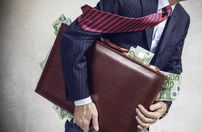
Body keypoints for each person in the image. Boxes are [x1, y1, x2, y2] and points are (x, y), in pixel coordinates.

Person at [60, 0, 190, 131]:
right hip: (90, 115)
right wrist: (82, 101)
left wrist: (164, 105)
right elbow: (75, 37)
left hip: (132, 122)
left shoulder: (183, 19)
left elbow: (173, 68)